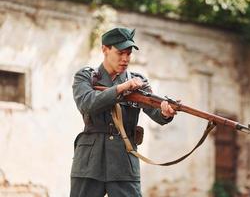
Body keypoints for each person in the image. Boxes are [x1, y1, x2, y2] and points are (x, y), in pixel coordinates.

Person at [70, 27, 176, 197]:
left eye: (129, 54)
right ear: (105, 49)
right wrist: (121, 88)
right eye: (121, 53)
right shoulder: (85, 77)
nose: (125, 59)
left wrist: (166, 113)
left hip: (124, 163)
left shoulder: (138, 81)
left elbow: (155, 112)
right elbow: (87, 103)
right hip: (89, 162)